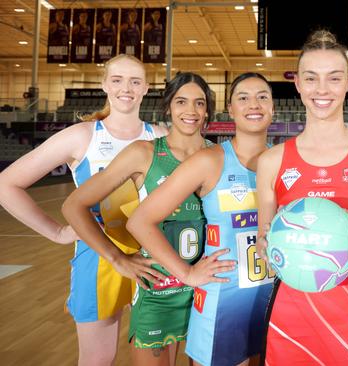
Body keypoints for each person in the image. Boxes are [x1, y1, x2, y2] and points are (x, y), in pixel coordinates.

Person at [0, 54, 165, 365]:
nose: (125, 88)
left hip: (152, 255)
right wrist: (58, 233)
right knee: (98, 358)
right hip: (97, 256)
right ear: (104, 85)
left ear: (146, 88)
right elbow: (6, 184)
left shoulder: (159, 137)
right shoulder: (83, 136)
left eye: (134, 81)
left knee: (153, 354)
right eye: (117, 80)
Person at [255, 30, 348, 365]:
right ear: (298, 85)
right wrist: (271, 248)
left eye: (333, 78)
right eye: (311, 78)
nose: (322, 90)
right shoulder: (271, 161)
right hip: (291, 316)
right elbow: (265, 247)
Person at [63, 72, 213, 365]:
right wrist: (118, 259)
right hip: (159, 289)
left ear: (208, 110)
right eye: (181, 101)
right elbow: (74, 206)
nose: (191, 111)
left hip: (207, 288)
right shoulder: (143, 153)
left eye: (199, 103)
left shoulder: (218, 155)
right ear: (168, 106)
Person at [127, 72, 276, 366]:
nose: (254, 104)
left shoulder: (284, 160)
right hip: (223, 302)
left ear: (273, 107)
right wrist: (187, 273)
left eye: (262, 97)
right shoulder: (210, 160)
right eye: (242, 98)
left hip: (271, 297)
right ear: (230, 109)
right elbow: (140, 221)